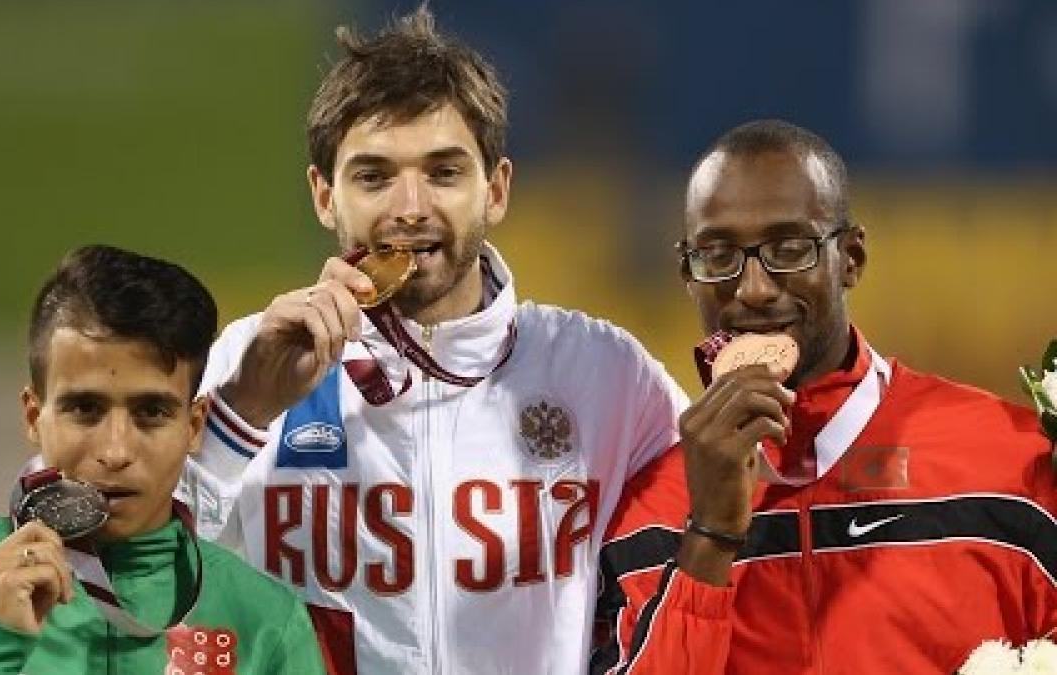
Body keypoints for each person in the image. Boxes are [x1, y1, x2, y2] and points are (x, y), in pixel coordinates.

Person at [178, 5, 688, 674]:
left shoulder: (605, 372)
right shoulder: (246, 361)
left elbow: (725, 551)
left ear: (496, 189)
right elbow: (126, 592)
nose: (410, 207)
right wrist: (238, 417)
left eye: (444, 172)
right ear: (324, 195)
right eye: (374, 175)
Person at [592, 119, 1057, 674]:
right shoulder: (644, 513)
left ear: (851, 259)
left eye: (790, 248)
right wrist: (709, 536)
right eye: (718, 255)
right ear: (686, 273)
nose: (755, 289)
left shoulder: (1010, 463)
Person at [0, 245, 324, 674]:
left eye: (151, 412)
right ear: (34, 416)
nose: (115, 452)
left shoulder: (264, 619)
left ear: (195, 425)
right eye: (85, 409)